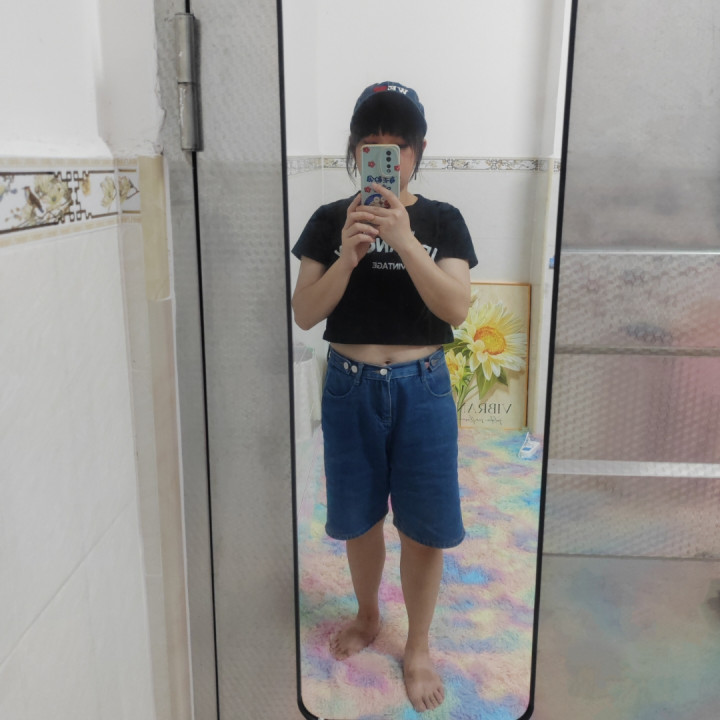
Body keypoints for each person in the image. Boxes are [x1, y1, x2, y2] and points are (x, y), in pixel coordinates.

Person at [291, 81, 478, 713]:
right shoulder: (329, 221)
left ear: (418, 151)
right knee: (359, 518)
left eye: (398, 148)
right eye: (372, 146)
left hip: (423, 387)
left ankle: (417, 645)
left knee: (424, 528)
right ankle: (369, 615)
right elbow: (304, 313)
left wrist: (404, 241)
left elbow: (455, 307)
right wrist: (346, 258)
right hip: (350, 386)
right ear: (355, 151)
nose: (386, 160)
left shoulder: (443, 220)